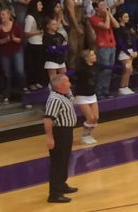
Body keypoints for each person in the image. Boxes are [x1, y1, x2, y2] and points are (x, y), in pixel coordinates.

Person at [42, 73, 78, 204]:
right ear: (60, 86)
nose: (70, 84)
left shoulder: (65, 94)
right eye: (67, 82)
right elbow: (47, 119)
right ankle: (54, 194)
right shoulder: (55, 99)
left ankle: (61, 184)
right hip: (59, 133)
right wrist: (50, 138)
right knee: (58, 162)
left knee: (64, 159)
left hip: (67, 132)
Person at [68, 50, 103, 145]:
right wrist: (60, 76)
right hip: (81, 95)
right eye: (92, 55)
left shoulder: (96, 65)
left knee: (96, 118)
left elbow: (108, 67)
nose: (95, 56)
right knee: (90, 117)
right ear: (86, 58)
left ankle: (88, 134)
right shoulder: (80, 69)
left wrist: (123, 66)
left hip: (92, 95)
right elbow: (71, 73)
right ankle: (85, 135)